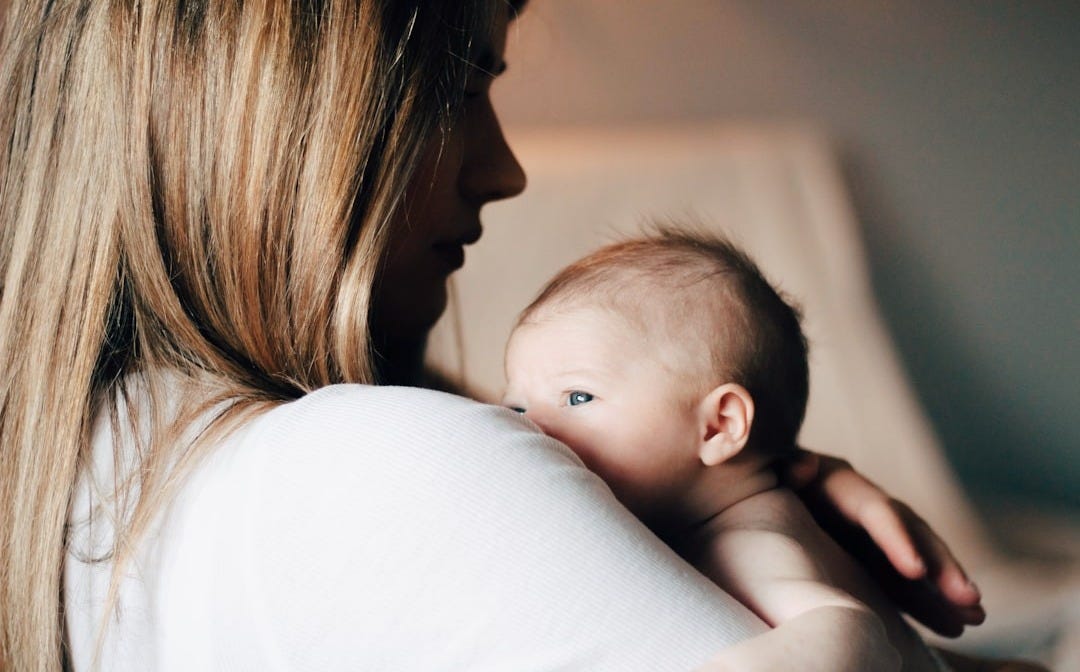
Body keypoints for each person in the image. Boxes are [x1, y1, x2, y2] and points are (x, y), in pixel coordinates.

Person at [0, 1, 1000, 671]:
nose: (502, 169)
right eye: (458, 86)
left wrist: (747, 488)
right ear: (271, 114)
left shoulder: (83, 477)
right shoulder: (379, 464)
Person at [502, 229, 961, 671]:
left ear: (719, 426)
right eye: (516, 405)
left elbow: (848, 627)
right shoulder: (721, 515)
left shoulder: (747, 542)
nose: (530, 426)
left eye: (578, 397)